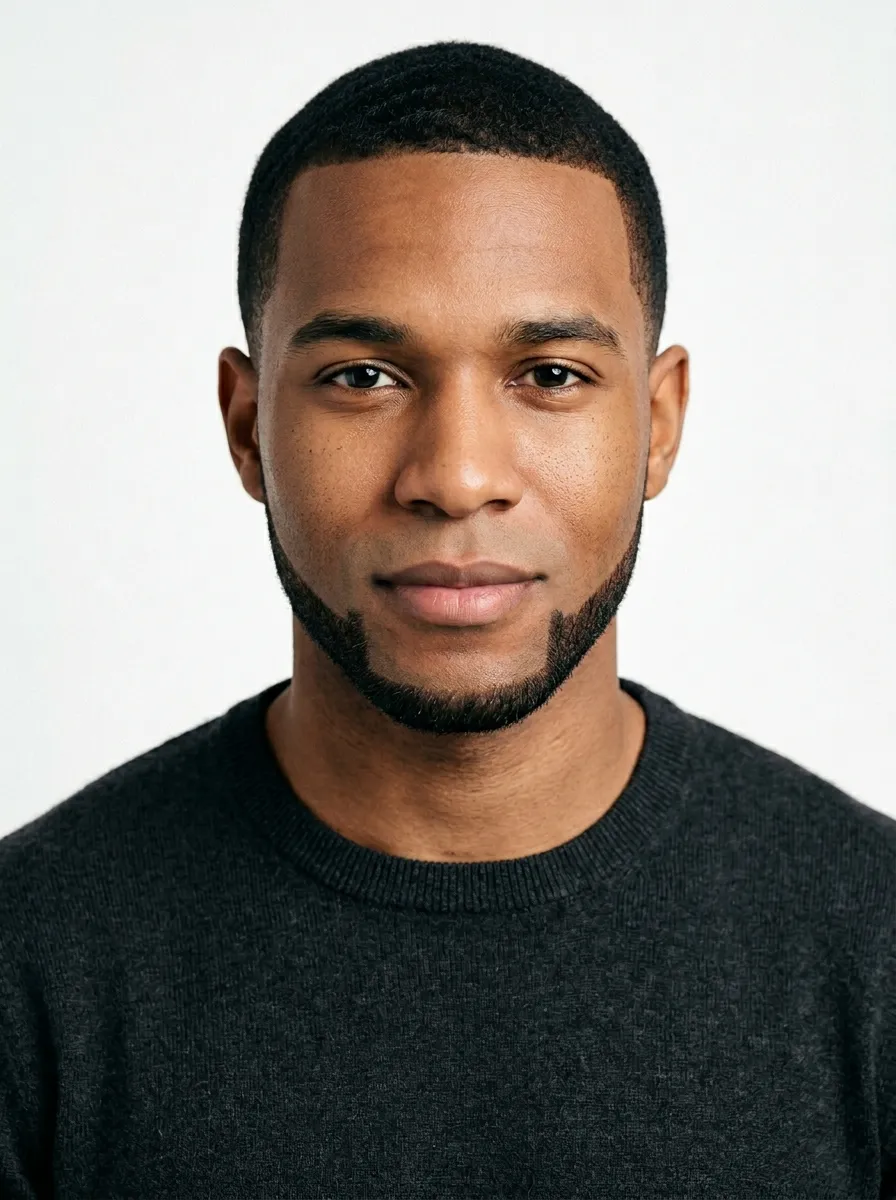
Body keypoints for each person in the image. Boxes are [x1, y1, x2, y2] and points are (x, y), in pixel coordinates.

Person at [1, 39, 893, 1200]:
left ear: (659, 423)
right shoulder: (33, 970)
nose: (457, 474)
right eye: (363, 376)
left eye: (551, 375)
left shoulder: (867, 949)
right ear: (244, 426)